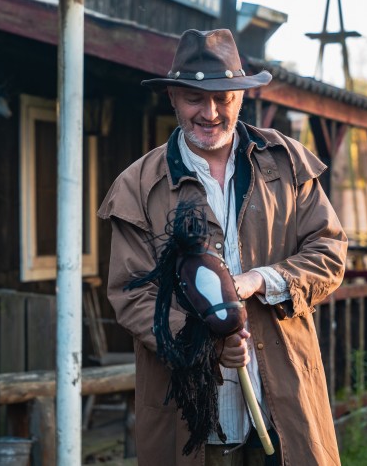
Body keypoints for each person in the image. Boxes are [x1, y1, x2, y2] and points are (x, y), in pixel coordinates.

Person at [98, 28, 347, 465]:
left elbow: (328, 251)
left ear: (241, 98)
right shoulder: (137, 186)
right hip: (191, 417)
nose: (210, 112)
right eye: (194, 97)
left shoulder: (285, 163)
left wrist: (259, 280)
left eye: (223, 98)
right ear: (173, 96)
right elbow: (132, 293)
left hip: (283, 407)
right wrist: (205, 342)